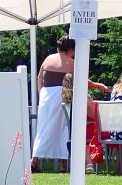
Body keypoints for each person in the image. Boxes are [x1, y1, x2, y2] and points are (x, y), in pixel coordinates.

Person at [31, 36, 107, 172]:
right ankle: (63, 165)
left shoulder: (47, 59)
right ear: (71, 49)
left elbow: (39, 78)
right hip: (62, 95)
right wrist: (98, 86)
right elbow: (82, 80)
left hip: (46, 96)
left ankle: (35, 160)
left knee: (43, 130)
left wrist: (41, 92)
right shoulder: (71, 63)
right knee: (65, 129)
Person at [61, 74, 103, 171]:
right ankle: (120, 164)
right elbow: (92, 114)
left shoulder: (65, 97)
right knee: (111, 131)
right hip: (87, 128)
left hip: (73, 130)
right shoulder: (82, 95)